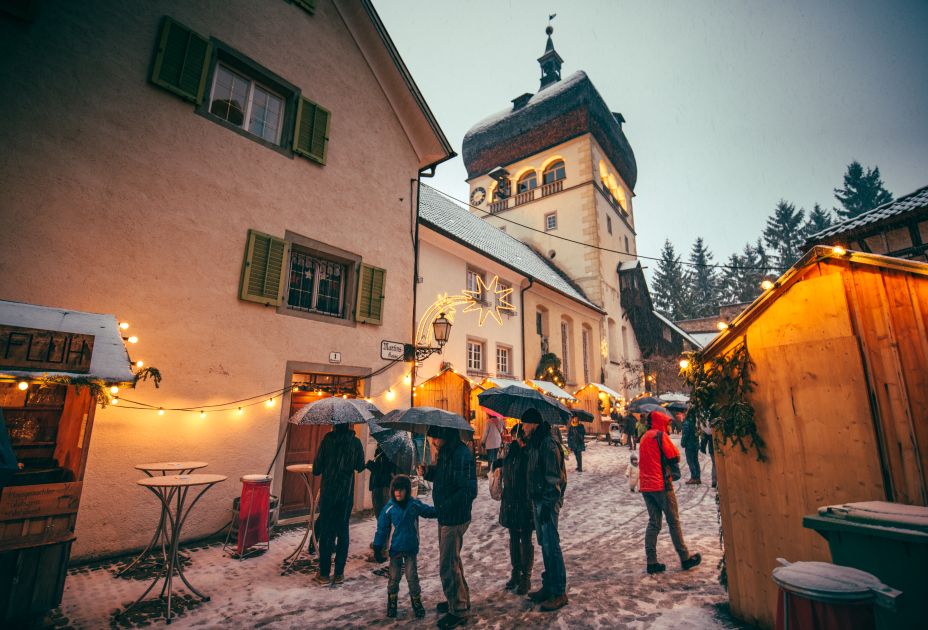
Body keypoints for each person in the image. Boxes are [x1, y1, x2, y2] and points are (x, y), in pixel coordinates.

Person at [420, 426, 477, 630]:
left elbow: (469, 490)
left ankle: (458, 610)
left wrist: (446, 506)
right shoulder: (447, 452)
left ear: (444, 436)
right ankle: (459, 599)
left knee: (447, 564)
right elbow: (446, 477)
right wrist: (428, 471)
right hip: (445, 515)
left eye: (435, 437)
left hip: (455, 517)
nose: (433, 441)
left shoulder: (461, 454)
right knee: (453, 560)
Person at [638, 411, 701, 574]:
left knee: (654, 523)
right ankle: (685, 558)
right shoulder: (660, 435)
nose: (668, 427)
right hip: (662, 485)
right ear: (661, 423)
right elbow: (674, 456)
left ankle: (651, 561)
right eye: (667, 424)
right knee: (673, 521)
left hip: (646, 486)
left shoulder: (644, 437)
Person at [522, 408, 568, 611]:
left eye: (525, 424)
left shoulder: (548, 444)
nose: (522, 427)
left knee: (551, 546)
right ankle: (549, 585)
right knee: (545, 545)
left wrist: (548, 505)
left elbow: (553, 479)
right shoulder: (535, 443)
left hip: (547, 501)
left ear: (534, 424)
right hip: (537, 499)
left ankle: (558, 592)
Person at [372, 475, 437, 619]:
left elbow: (428, 511)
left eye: (401, 490)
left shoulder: (414, 505)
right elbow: (382, 529)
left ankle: (416, 602)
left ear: (407, 491)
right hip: (395, 551)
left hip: (410, 549)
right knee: (394, 578)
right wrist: (377, 547)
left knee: (412, 577)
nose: (398, 493)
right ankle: (392, 602)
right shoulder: (389, 508)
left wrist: (441, 510)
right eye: (395, 490)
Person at [313, 423, 365, 585]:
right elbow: (360, 466)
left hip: (329, 493)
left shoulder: (327, 440)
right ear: (349, 424)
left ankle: (323, 574)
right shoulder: (355, 442)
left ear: (334, 425)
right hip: (345, 494)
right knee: (343, 531)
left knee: (327, 531)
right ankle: (339, 574)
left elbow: (316, 469)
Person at [495, 423, 534, 595]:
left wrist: (525, 450)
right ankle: (516, 572)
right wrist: (498, 466)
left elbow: (530, 474)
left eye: (517, 436)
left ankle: (526, 576)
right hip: (510, 500)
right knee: (513, 538)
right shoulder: (510, 451)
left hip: (525, 501)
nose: (516, 439)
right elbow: (506, 466)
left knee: (525, 539)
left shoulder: (530, 451)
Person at [679, 411, 701, 485]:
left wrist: (683, 443)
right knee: (695, 461)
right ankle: (697, 477)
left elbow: (685, 434)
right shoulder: (694, 422)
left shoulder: (686, 423)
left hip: (689, 445)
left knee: (690, 461)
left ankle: (694, 477)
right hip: (695, 444)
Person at [699, 418, 717, 488]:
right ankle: (715, 481)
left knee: (715, 464)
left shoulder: (707, 423)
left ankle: (714, 480)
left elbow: (705, 436)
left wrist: (702, 448)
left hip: (712, 448)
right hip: (716, 446)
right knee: (716, 464)